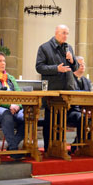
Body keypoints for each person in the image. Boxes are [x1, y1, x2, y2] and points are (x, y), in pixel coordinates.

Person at [35, 24, 79, 152]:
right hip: (52, 92)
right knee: (50, 121)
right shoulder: (44, 48)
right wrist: (56, 68)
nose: (66, 36)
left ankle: (60, 147)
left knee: (62, 121)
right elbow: (39, 67)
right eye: (63, 33)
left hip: (67, 91)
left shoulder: (68, 47)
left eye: (67, 33)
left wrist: (72, 61)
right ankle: (49, 148)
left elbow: (75, 68)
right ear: (56, 33)